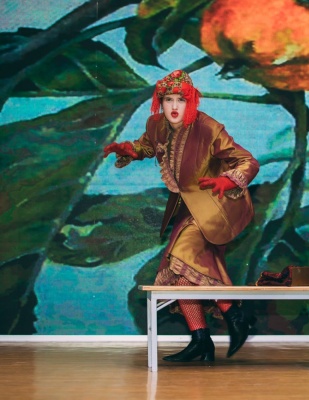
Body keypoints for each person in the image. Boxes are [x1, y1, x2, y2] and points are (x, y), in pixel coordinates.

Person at [103, 70, 259, 362]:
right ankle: (202, 338)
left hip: (217, 205)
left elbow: (247, 160)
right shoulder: (156, 125)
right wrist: (130, 151)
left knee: (181, 256)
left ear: (191, 102)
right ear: (160, 102)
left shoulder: (208, 128)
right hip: (188, 208)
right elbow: (147, 146)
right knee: (181, 275)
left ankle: (234, 315)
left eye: (181, 100)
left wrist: (228, 180)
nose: (174, 106)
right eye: (168, 100)